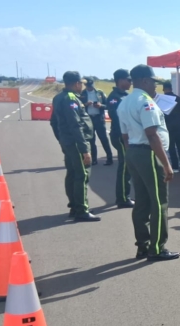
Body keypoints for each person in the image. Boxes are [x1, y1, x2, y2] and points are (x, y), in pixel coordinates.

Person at [117, 64, 179, 261]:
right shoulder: (146, 102)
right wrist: (166, 164)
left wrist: (131, 155)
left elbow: (125, 136)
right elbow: (152, 135)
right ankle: (157, 247)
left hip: (134, 152)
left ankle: (142, 245)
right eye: (153, 82)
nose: (155, 87)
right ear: (144, 81)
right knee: (159, 202)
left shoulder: (124, 102)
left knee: (142, 202)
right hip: (149, 154)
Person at [50, 71, 99, 222]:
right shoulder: (71, 99)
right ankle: (81, 210)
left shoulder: (59, 97)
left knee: (72, 173)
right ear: (77, 83)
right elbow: (76, 125)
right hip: (77, 142)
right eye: (81, 84)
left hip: (68, 141)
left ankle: (75, 205)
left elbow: (53, 122)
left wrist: (61, 139)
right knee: (82, 175)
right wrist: (84, 149)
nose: (82, 86)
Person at [106, 69, 134, 208]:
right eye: (128, 80)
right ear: (120, 80)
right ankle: (122, 198)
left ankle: (124, 195)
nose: (130, 83)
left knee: (127, 167)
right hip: (120, 135)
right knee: (124, 166)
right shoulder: (114, 97)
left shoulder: (126, 95)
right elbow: (117, 119)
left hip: (127, 134)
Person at [81, 78, 113, 165]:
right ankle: (94, 159)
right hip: (88, 119)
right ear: (85, 85)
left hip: (99, 118)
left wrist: (100, 105)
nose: (90, 88)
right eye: (88, 86)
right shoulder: (82, 93)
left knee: (104, 139)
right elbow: (79, 106)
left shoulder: (100, 92)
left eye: (91, 86)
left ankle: (109, 158)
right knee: (91, 140)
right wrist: (85, 104)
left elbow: (107, 105)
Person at [161, 81, 180, 173]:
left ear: (163, 89)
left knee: (171, 147)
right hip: (178, 126)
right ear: (171, 88)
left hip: (167, 126)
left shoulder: (162, 99)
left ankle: (175, 167)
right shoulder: (178, 99)